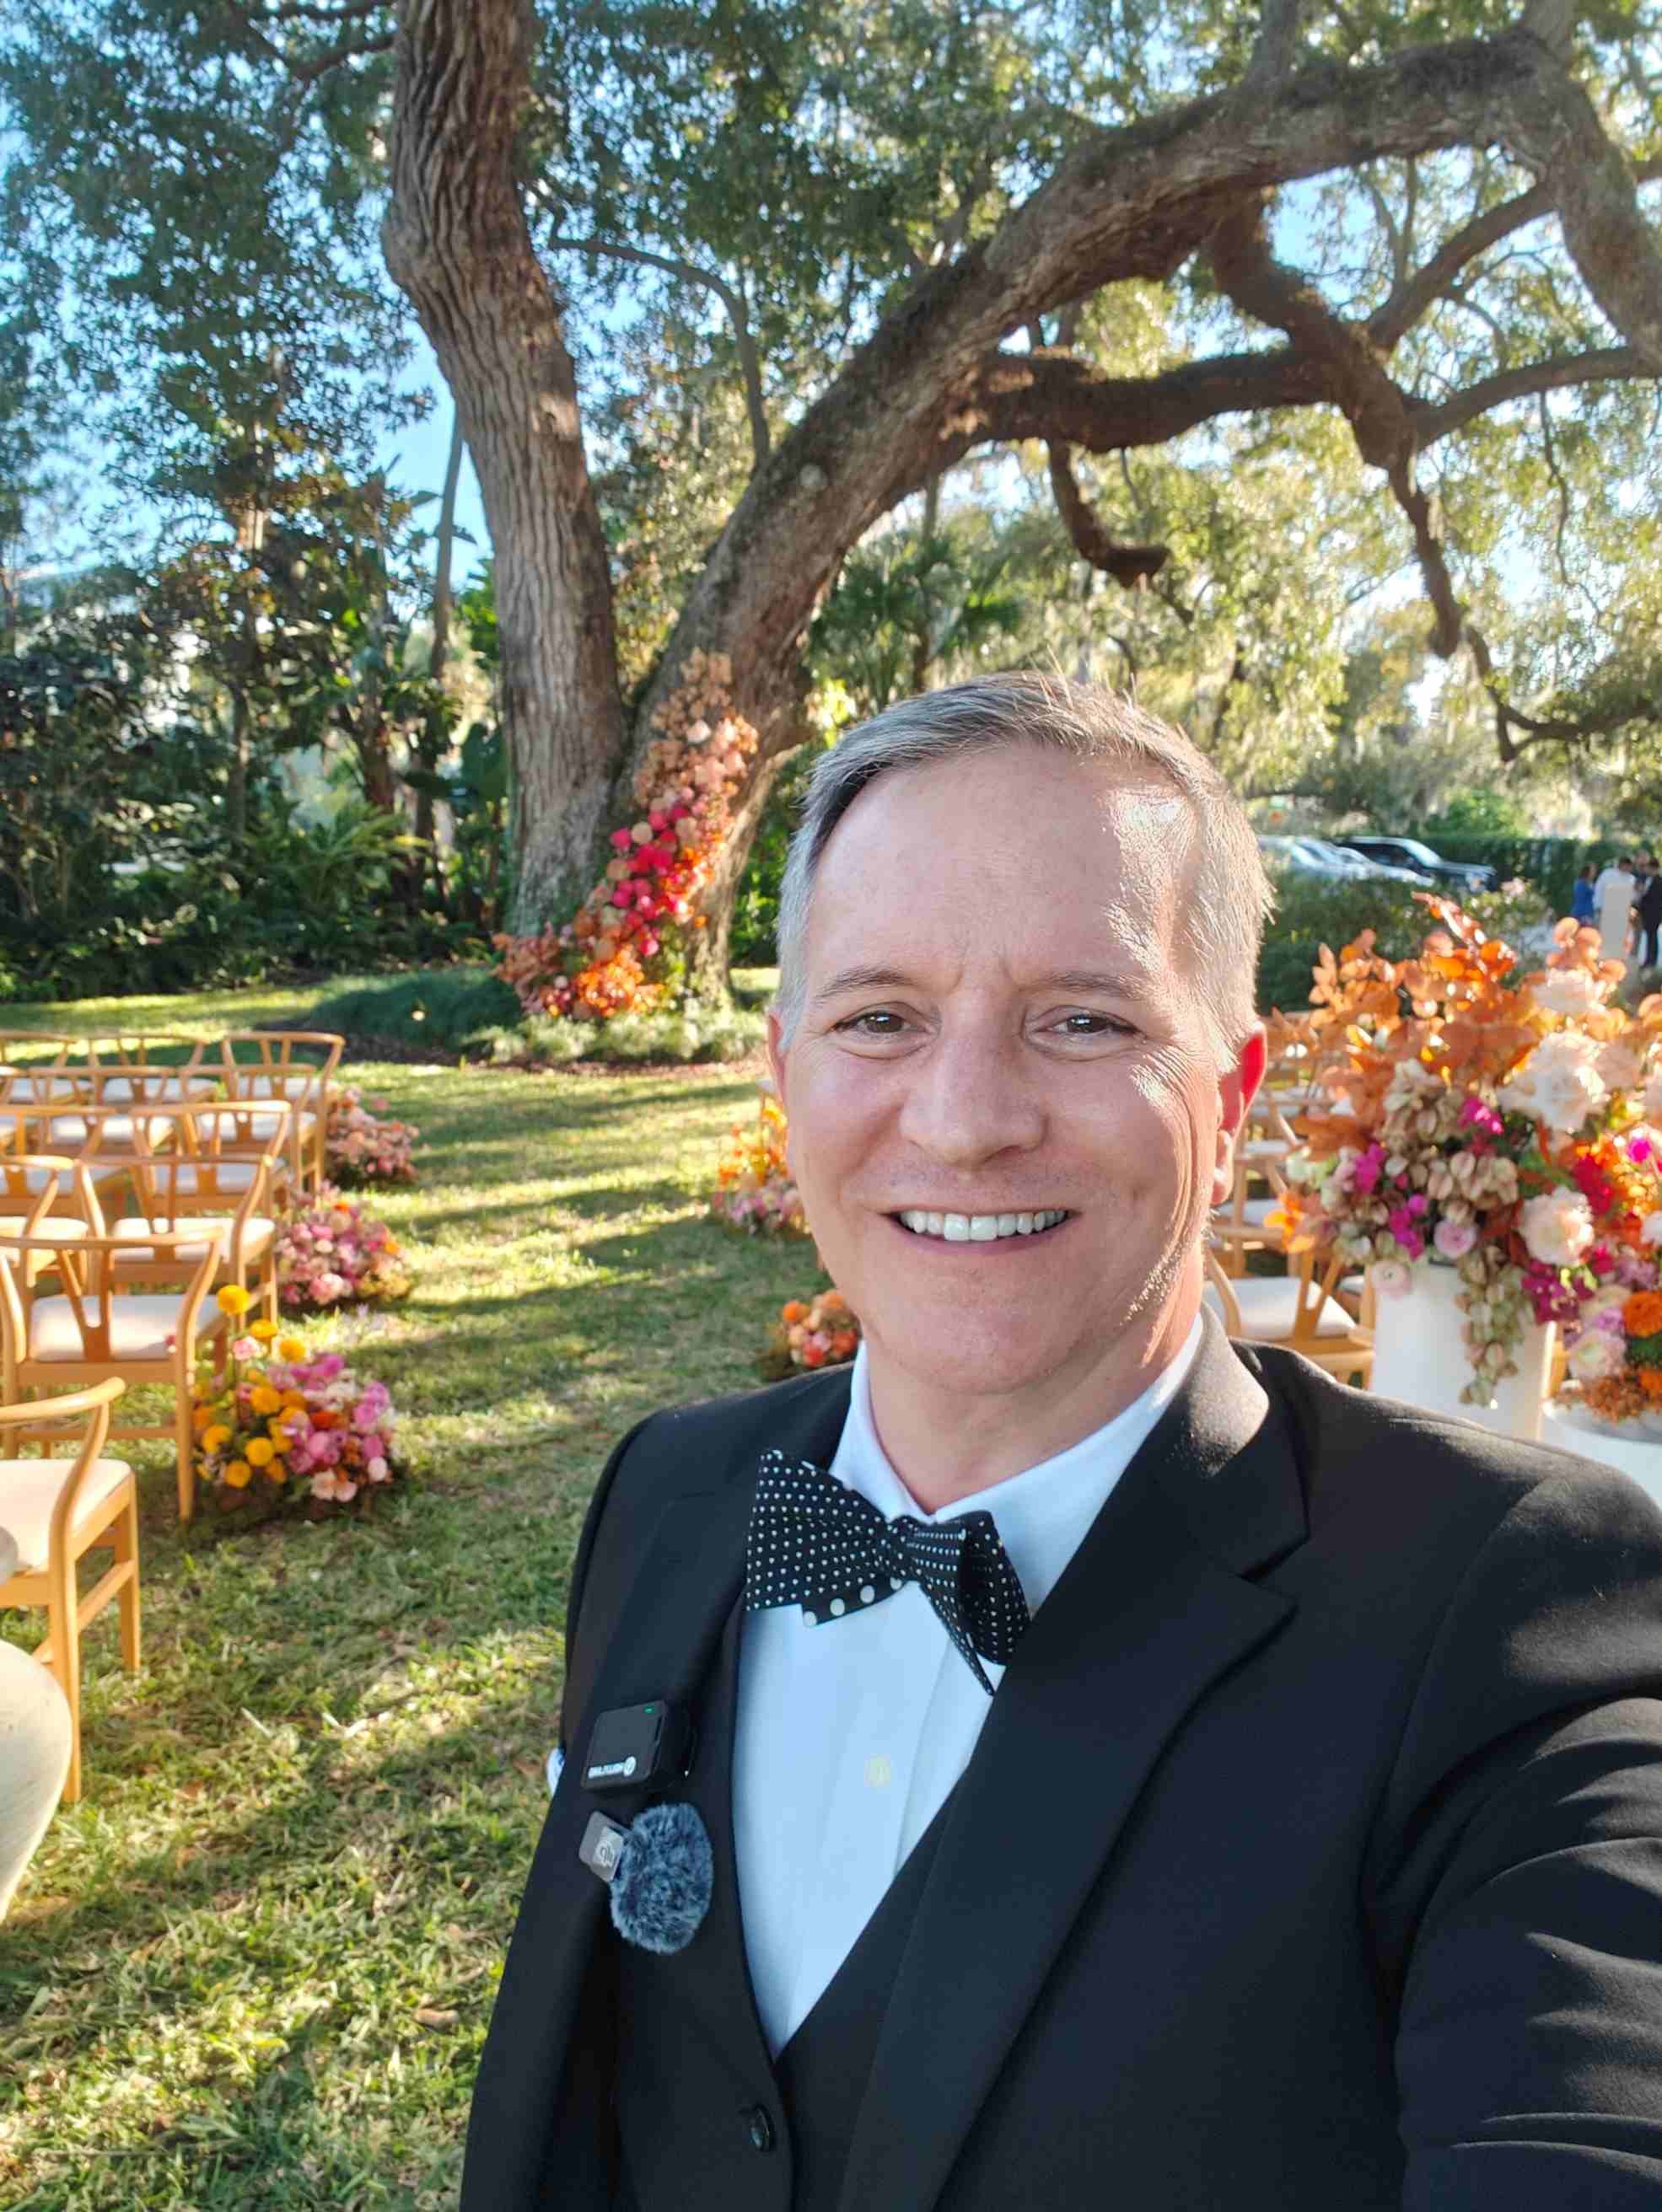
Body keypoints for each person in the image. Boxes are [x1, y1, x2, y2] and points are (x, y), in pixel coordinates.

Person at [463, 675, 1662, 2211]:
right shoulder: (669, 1490)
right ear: (783, 1070)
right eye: (878, 1017)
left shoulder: (1508, 1607)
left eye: (1082, 1020)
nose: (963, 1119)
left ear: (1228, 1098)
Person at [1595, 851, 1637, 969]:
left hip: (1622, 914)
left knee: (1619, 942)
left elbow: (1633, 897)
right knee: (1604, 939)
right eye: (1627, 866)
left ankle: (1615, 965)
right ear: (1622, 864)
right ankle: (1602, 963)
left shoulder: (1631, 879)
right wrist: (1598, 907)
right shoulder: (1607, 874)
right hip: (1606, 911)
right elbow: (1599, 891)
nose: (1629, 869)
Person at [1638, 856, 1662, 971]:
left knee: (1652, 938)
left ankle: (1651, 961)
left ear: (1653, 868)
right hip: (1648, 914)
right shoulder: (1649, 879)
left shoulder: (1659, 881)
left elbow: (1655, 900)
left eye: (1647, 867)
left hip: (1654, 914)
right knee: (1650, 938)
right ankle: (1649, 960)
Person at [1570, 860, 1597, 925]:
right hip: (1582, 915)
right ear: (1587, 871)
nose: (1594, 873)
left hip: (1588, 915)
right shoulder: (1580, 883)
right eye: (1593, 870)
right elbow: (1580, 899)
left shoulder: (1591, 883)